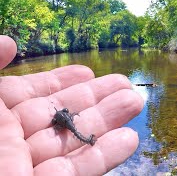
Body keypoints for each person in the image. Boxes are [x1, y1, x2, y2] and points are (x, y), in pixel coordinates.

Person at [0, 35, 144, 175]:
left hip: (66, 122)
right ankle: (88, 140)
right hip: (67, 122)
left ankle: (88, 140)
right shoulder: (63, 116)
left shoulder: (58, 118)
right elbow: (60, 118)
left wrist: (58, 124)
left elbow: (55, 121)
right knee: (75, 131)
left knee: (75, 130)